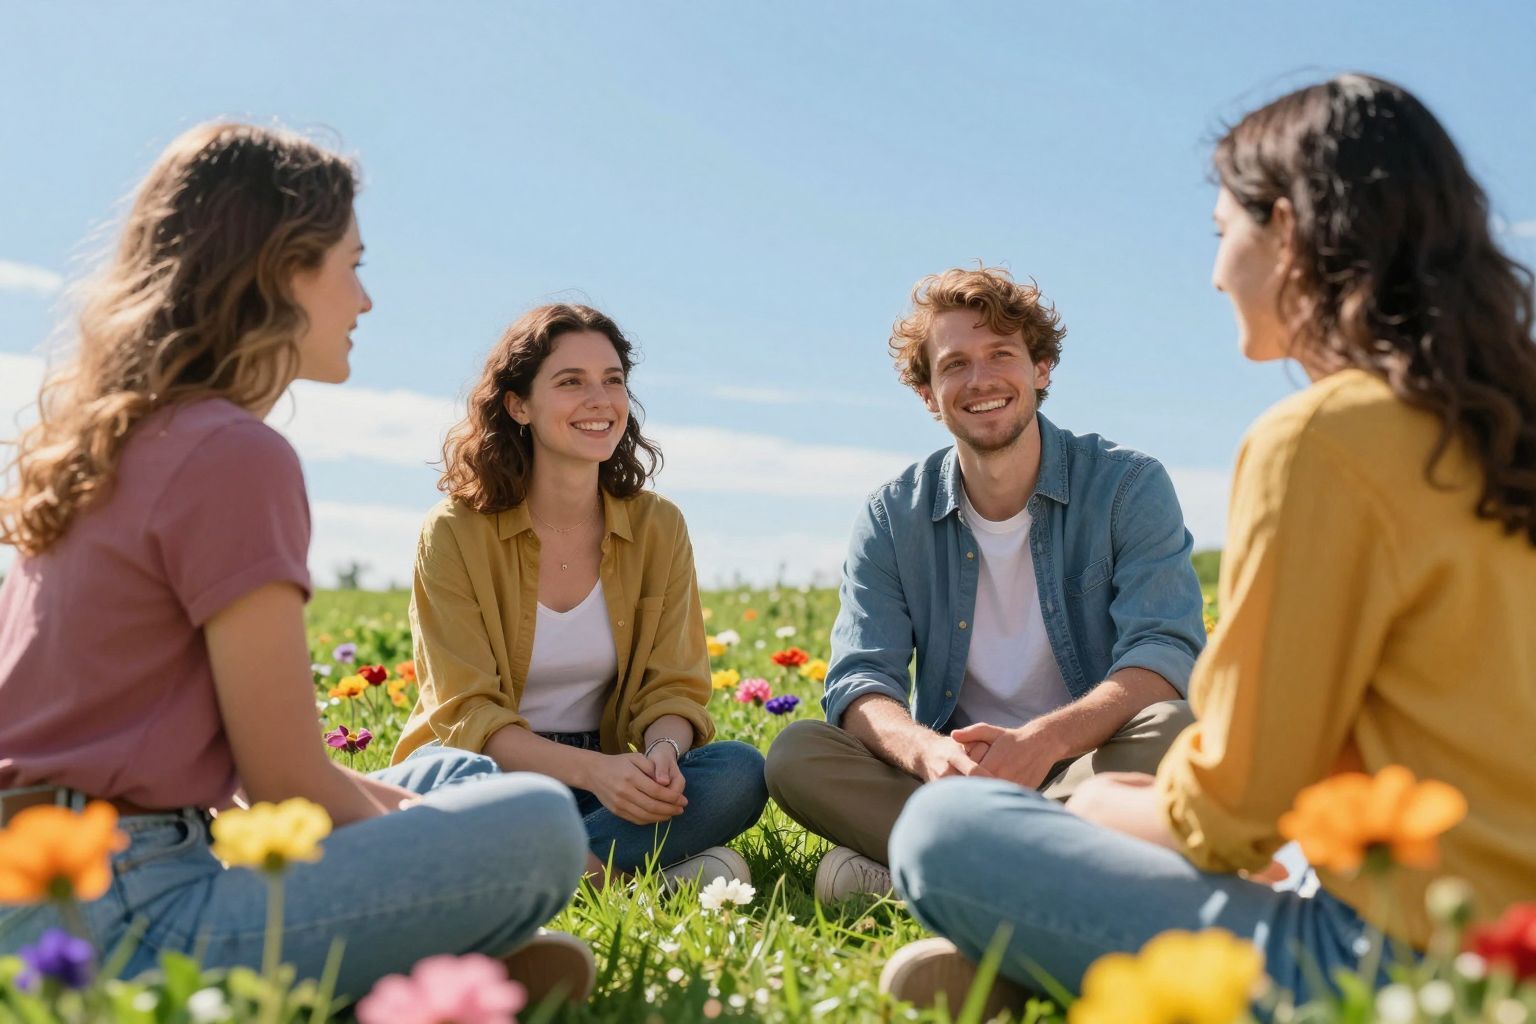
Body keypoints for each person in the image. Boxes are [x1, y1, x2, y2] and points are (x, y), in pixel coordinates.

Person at [884, 74, 1536, 1014]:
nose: (1216, 269)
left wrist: (1100, 808)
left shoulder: (1321, 440)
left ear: (1287, 232)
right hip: (1479, 905)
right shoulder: (1499, 426)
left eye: (1223, 232)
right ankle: (1045, 956)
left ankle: (1048, 952)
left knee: (946, 831)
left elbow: (1229, 810)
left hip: (1407, 960)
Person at [0, 123, 594, 1004]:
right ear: (283, 271)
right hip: (122, 918)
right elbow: (285, 779)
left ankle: (425, 957)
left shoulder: (110, 439)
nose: (365, 301)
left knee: (456, 775)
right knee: (539, 821)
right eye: (351, 265)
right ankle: (440, 960)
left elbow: (249, 780)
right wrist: (452, 847)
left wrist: (430, 825)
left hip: (53, 877)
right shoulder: (233, 454)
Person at [764, 265, 1206, 904]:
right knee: (796, 752)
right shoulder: (892, 517)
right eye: (954, 365)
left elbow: (1163, 654)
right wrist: (927, 755)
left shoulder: (1127, 487)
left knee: (1175, 727)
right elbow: (861, 680)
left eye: (1001, 354)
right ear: (927, 392)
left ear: (1041, 369)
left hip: (1090, 762)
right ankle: (1045, 868)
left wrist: (1043, 742)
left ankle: (939, 869)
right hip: (954, 781)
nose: (981, 380)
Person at [392, 303, 768, 888]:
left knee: (739, 772)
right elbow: (466, 713)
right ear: (519, 405)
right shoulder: (454, 531)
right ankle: (633, 872)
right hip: (491, 770)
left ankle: (531, 879)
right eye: (571, 382)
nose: (601, 400)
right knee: (445, 784)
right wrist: (594, 773)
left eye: (613, 381)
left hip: (616, 769)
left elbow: (673, 686)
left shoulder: (658, 526)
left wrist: (663, 755)